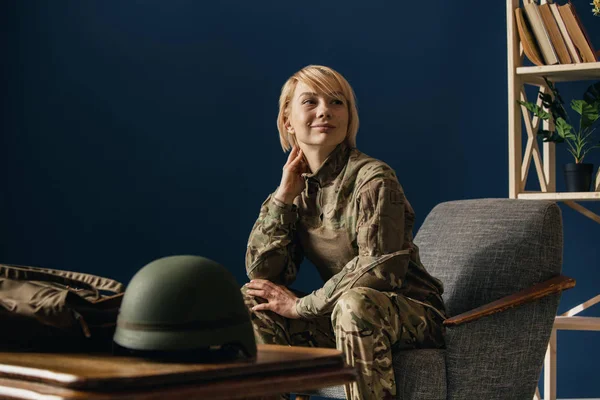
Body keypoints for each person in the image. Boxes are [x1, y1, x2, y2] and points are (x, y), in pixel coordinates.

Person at [242, 65, 446, 400]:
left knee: (355, 305)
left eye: (337, 102)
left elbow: (380, 270)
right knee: (253, 302)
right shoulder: (299, 188)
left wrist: (303, 307)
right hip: (341, 311)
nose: (325, 110)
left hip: (412, 313)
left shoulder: (373, 178)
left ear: (349, 118)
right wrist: (283, 199)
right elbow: (264, 273)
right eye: (310, 102)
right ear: (288, 121)